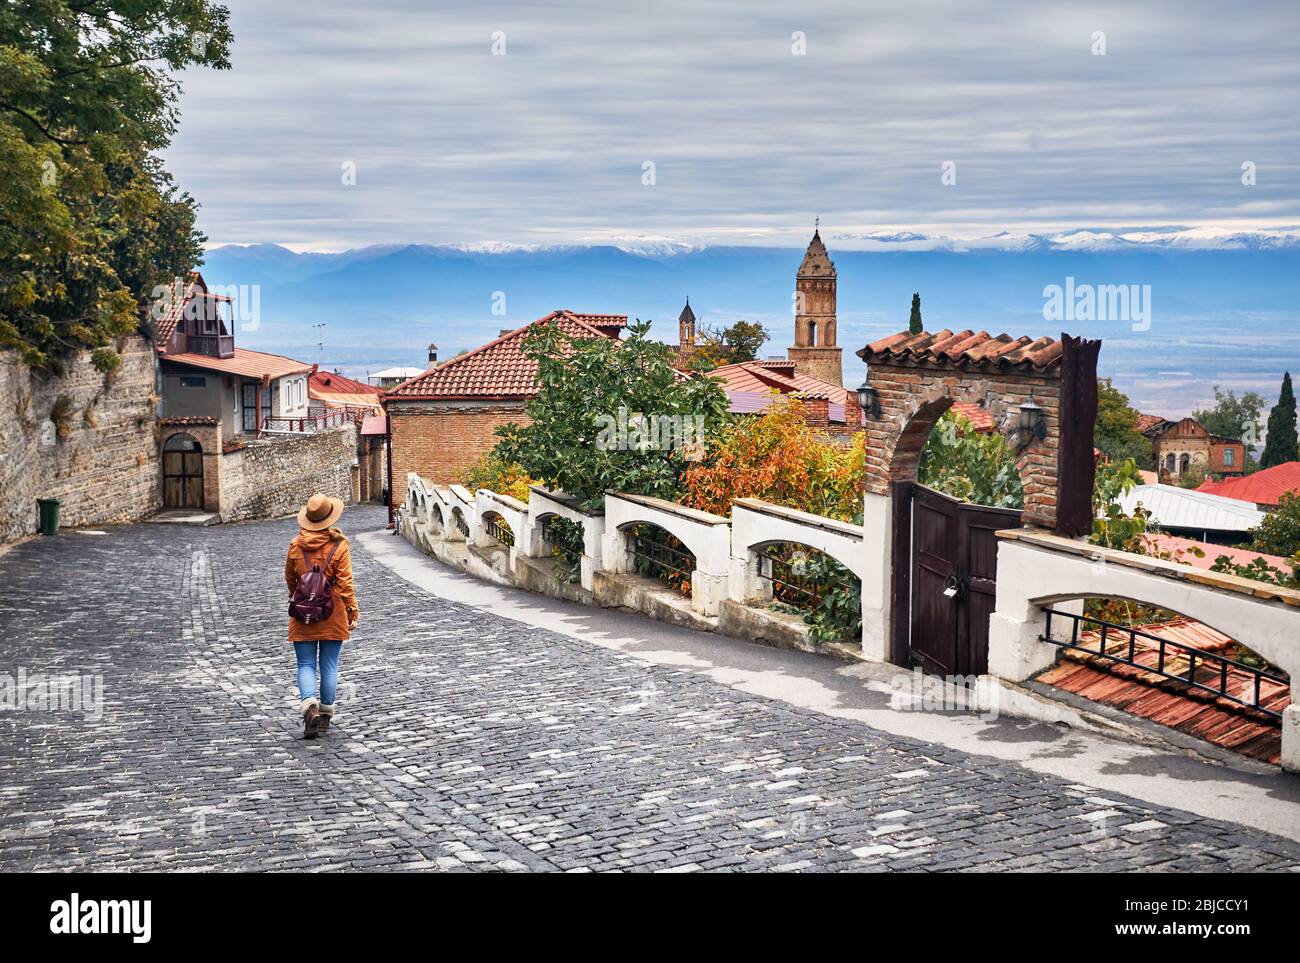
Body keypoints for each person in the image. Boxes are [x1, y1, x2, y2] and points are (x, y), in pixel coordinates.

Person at [285, 493, 359, 739]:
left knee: (305, 664)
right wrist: (352, 610)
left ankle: (309, 707)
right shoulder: (339, 545)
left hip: (303, 613)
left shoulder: (295, 545)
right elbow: (346, 583)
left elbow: (291, 579)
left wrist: (301, 597)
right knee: (329, 664)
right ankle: (326, 715)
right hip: (333, 611)